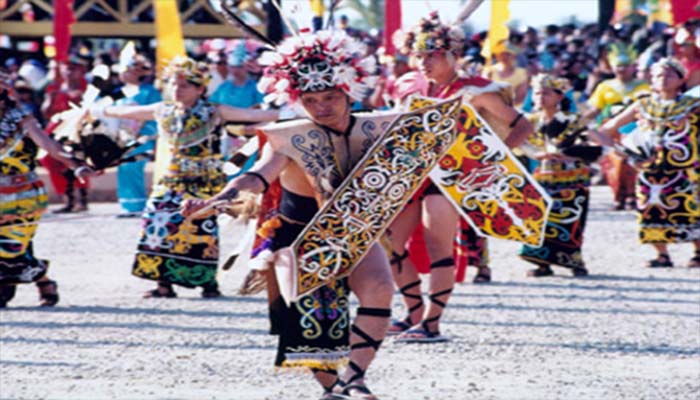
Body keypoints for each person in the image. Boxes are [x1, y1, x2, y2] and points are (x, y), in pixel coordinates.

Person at [183, 29, 396, 400]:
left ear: (349, 92)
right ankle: (335, 389)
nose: (321, 106)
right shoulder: (289, 137)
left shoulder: (376, 128)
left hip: (355, 232)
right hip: (299, 237)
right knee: (313, 324)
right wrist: (219, 199)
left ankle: (356, 380)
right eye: (311, 99)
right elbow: (257, 175)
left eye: (330, 97)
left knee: (379, 288)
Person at [387, 12, 533, 342]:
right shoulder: (409, 86)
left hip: (450, 177)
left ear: (451, 55)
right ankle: (413, 313)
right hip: (412, 174)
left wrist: (494, 159)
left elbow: (522, 126)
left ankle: (432, 323)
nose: (424, 62)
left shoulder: (475, 90)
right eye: (419, 55)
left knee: (439, 248)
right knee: (389, 246)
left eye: (432, 55)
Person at [88, 56, 281, 299]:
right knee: (157, 220)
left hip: (205, 179)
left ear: (200, 89)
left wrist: (291, 110)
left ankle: (208, 283)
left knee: (201, 228)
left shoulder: (215, 111)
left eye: (184, 86)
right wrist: (97, 110)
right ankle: (163, 282)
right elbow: (130, 112)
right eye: (174, 85)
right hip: (174, 178)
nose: (177, 90)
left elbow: (254, 116)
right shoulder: (163, 109)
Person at [591, 58, 700, 268]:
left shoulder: (693, 105)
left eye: (669, 74)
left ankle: (698, 252)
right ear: (651, 79)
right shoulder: (642, 104)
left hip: (686, 167)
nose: (663, 79)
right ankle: (662, 254)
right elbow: (605, 129)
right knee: (651, 207)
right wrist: (625, 153)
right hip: (650, 168)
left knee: (692, 207)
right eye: (659, 75)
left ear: (680, 80)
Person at [0, 76, 91, 308]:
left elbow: (50, 147)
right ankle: (44, 280)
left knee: (11, 245)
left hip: (21, 196)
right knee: (16, 246)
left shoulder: (23, 121)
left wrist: (76, 165)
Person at [518, 74, 591, 277]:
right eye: (538, 93)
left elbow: (589, 142)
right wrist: (536, 153)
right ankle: (541, 262)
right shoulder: (529, 120)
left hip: (572, 177)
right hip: (543, 174)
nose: (541, 97)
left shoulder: (573, 120)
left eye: (547, 93)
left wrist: (570, 153)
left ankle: (573, 259)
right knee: (539, 217)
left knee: (572, 218)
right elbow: (519, 142)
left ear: (559, 96)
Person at [585, 43, 649, 211]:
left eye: (626, 66)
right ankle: (618, 196)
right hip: (611, 129)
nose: (622, 69)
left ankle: (632, 195)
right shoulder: (604, 86)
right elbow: (595, 109)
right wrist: (580, 122)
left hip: (635, 129)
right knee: (615, 162)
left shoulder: (644, 86)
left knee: (634, 162)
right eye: (618, 66)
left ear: (633, 67)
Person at [107, 47, 162, 217]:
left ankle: (137, 204)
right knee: (124, 169)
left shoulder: (149, 92)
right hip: (122, 139)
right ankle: (127, 204)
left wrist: (144, 133)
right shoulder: (119, 93)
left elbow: (156, 114)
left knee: (134, 168)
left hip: (141, 139)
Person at [40, 55, 91, 213]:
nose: (69, 71)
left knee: (77, 161)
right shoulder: (54, 89)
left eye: (73, 68)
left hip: (77, 129)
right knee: (51, 160)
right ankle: (67, 198)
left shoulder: (87, 89)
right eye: (66, 67)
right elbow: (46, 112)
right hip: (56, 129)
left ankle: (82, 198)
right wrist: (49, 98)